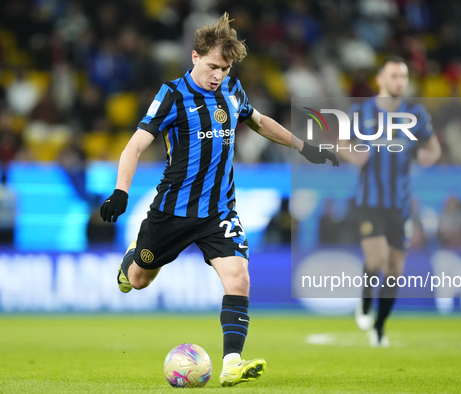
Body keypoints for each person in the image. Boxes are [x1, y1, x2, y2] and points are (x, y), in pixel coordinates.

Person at [99, 14, 338, 387]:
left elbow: (259, 121)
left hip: (218, 211)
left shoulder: (232, 91)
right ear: (194, 57)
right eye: (212, 66)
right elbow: (135, 144)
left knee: (238, 276)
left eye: (224, 69)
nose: (217, 75)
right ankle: (131, 260)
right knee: (139, 279)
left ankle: (231, 363)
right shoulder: (172, 95)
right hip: (172, 211)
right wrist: (121, 191)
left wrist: (303, 146)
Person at [342, 56, 441, 347]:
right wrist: (353, 155)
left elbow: (433, 146)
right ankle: (364, 301)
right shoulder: (362, 111)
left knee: (396, 269)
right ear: (380, 80)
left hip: (401, 203)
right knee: (377, 258)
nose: (400, 81)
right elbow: (341, 143)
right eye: (394, 76)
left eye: (404, 76)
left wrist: (429, 156)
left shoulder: (415, 114)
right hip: (369, 200)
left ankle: (379, 328)